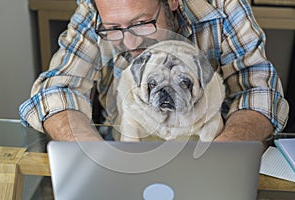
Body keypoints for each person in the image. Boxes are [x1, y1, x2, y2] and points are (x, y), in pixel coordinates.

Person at [19, 0, 289, 142]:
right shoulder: (96, 11)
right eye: (114, 29)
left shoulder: (224, 6)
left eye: (141, 23)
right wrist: (96, 155)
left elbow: (260, 93)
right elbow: (54, 92)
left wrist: (222, 156)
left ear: (171, 1)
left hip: (212, 149)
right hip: (124, 149)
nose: (130, 42)